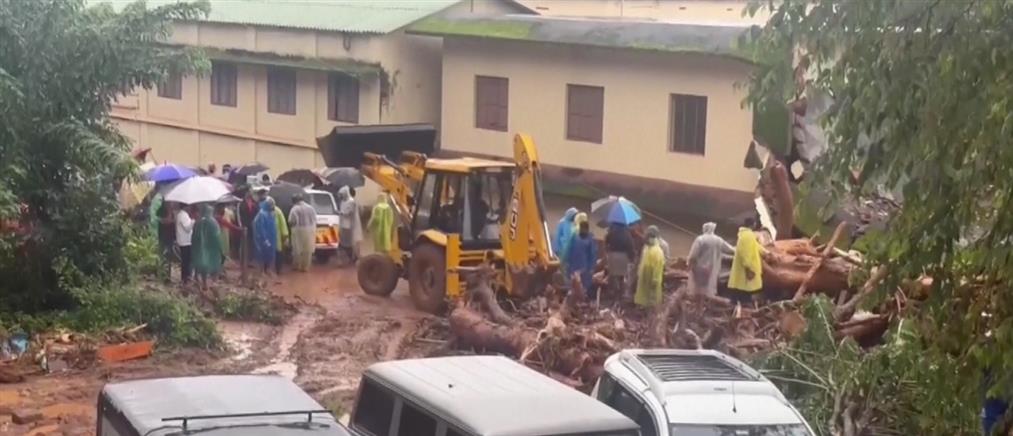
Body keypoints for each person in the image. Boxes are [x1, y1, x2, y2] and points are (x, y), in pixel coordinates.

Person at [687, 222, 735, 296]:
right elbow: (730, 249)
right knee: (708, 288)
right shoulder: (719, 240)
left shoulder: (700, 239)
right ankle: (703, 303)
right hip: (712, 268)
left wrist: (689, 265)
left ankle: (698, 305)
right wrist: (740, 250)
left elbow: (693, 255)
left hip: (699, 268)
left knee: (698, 289)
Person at [728, 217, 766, 305]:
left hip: (745, 267)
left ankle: (738, 303)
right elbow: (745, 252)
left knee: (742, 287)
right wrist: (748, 267)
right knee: (745, 287)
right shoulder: (748, 236)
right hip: (746, 267)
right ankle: (742, 305)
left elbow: (756, 245)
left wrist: (766, 252)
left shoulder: (746, 235)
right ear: (752, 224)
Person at [191, 204, 223, 292]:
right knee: (215, 266)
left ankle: (204, 283)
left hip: (200, 250)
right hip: (213, 250)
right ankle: (214, 284)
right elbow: (217, 237)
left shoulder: (198, 222)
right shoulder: (214, 223)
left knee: (202, 266)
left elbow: (194, 237)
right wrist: (221, 249)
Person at [566, 213, 597, 299]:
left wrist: (591, 267)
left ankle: (580, 298)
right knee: (577, 284)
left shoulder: (577, 237)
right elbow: (592, 253)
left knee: (581, 285)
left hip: (581, 266)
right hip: (579, 265)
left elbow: (592, 253)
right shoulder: (577, 237)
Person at [605, 223, 637, 297]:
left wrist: (608, 250)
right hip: (623, 257)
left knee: (612, 276)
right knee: (621, 277)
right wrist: (632, 258)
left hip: (613, 255)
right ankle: (620, 293)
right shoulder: (627, 234)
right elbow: (630, 247)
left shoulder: (612, 231)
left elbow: (606, 241)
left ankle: (612, 292)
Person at [635, 232, 666, 308]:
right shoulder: (649, 248)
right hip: (646, 276)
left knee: (652, 297)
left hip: (652, 277)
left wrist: (655, 279)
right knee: (644, 295)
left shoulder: (657, 251)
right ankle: (644, 308)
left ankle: (651, 312)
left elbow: (657, 267)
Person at [288, 194, 317, 272]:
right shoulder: (311, 208)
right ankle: (305, 267)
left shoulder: (294, 209)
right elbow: (315, 219)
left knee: (297, 249)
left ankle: (297, 265)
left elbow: (291, 221)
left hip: (298, 230)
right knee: (308, 249)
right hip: (310, 230)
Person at [337, 186, 363, 264]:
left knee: (353, 242)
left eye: (341, 194)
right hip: (343, 225)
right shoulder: (343, 202)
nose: (340, 196)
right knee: (345, 242)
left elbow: (349, 212)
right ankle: (350, 257)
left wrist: (340, 213)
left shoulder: (351, 202)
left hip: (351, 225)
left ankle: (355, 257)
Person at [253, 200, 278, 277]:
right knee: (262, 254)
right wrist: (264, 239)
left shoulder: (272, 213)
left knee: (270, 254)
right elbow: (261, 228)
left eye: (273, 205)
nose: (272, 206)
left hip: (271, 237)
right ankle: (261, 271)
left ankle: (268, 270)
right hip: (263, 238)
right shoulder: (261, 214)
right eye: (271, 205)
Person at [267, 197, 289, 274]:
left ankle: (278, 270)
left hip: (277, 236)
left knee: (278, 253)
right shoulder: (264, 212)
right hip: (268, 236)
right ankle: (268, 270)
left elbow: (283, 224)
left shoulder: (278, 212)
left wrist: (285, 236)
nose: (271, 206)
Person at [175, 203, 195, 285]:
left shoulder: (181, 214)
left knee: (185, 260)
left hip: (183, 240)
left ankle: (185, 278)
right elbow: (187, 228)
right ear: (186, 207)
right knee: (187, 260)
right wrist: (193, 221)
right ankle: (186, 278)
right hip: (186, 241)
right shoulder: (183, 215)